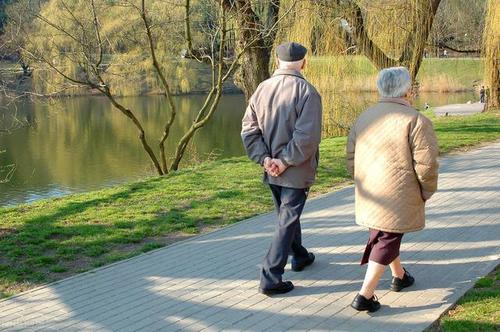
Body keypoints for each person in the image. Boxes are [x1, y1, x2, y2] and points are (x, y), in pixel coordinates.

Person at [346, 67, 439, 312]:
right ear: (408, 90)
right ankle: (364, 296)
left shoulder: (364, 117)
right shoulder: (416, 120)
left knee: (384, 233)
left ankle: (399, 276)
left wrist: (360, 181)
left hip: (370, 191)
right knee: (387, 237)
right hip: (399, 192)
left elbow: (351, 157)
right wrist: (427, 190)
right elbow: (427, 164)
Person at [241, 42, 322, 295]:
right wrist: (284, 161)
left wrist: (265, 160)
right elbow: (306, 137)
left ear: (276, 62)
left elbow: (249, 130)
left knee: (287, 217)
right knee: (286, 221)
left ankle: (299, 256)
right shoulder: (307, 92)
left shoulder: (261, 89)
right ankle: (270, 277)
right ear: (304, 63)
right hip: (294, 170)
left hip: (272, 169)